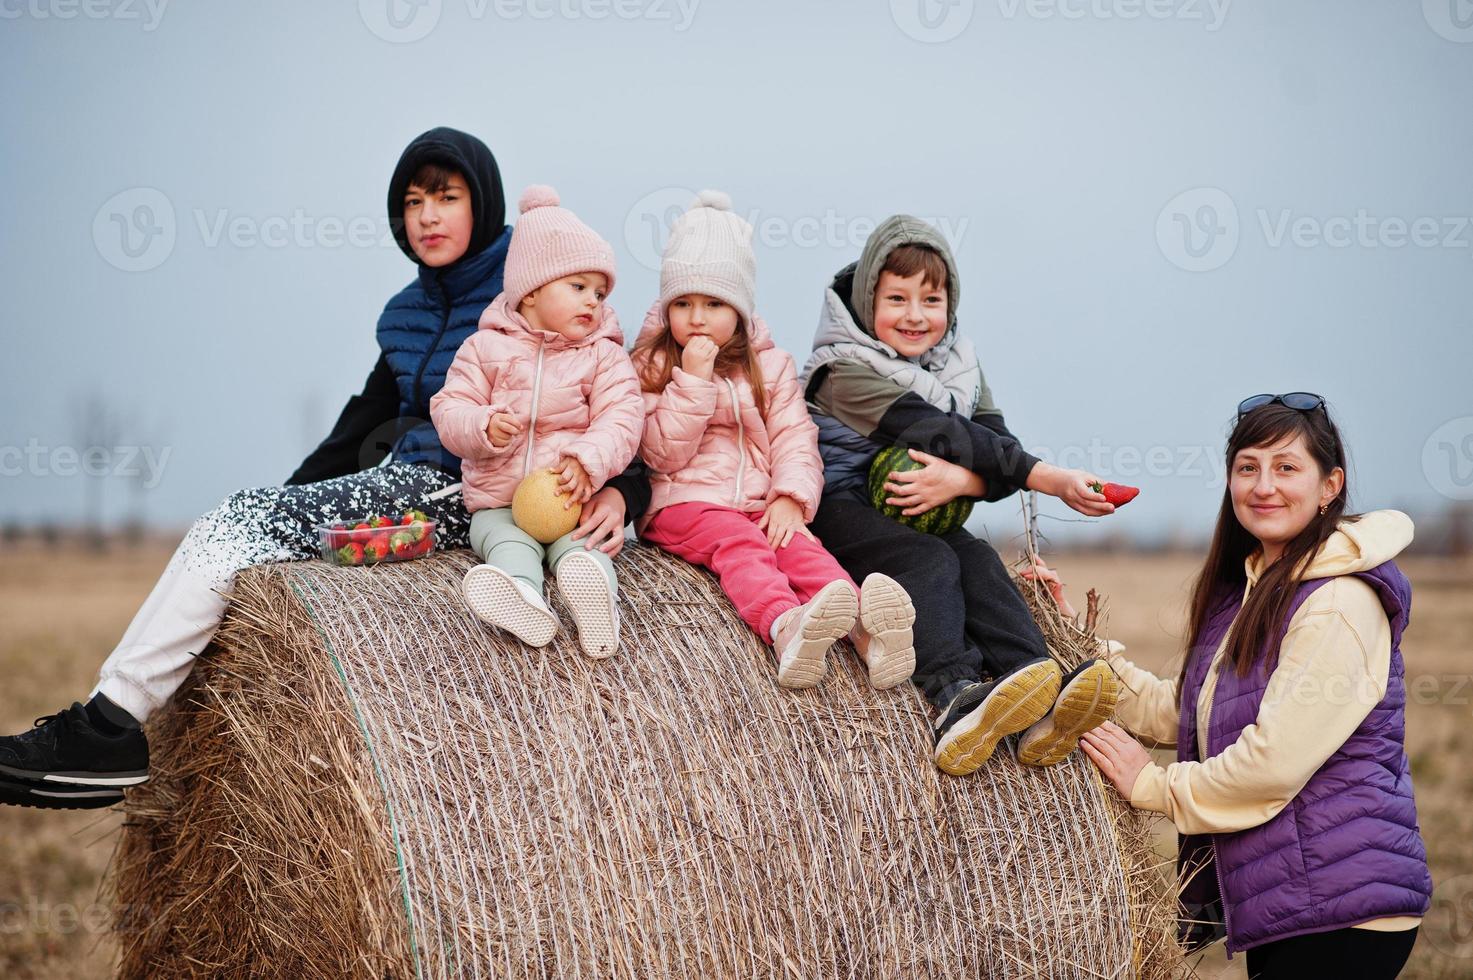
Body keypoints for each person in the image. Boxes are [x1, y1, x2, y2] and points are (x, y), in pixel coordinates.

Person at [0, 129, 649, 810]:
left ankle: (105, 729)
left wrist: (625, 491)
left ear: (482, 203)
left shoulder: (537, 279)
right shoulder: (404, 314)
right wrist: (278, 510)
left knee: (245, 521)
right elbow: (358, 428)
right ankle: (107, 722)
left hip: (467, 493)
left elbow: (621, 387)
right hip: (411, 484)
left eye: (446, 196)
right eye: (411, 201)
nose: (426, 215)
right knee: (240, 520)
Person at [1078, 393, 1431, 978]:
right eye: (1248, 467)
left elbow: (1271, 763)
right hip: (1295, 903)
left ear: (1329, 486)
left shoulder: (1339, 600)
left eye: (1286, 467)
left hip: (1343, 909)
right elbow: (1185, 713)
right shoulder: (1254, 587)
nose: (1264, 485)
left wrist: (1153, 786)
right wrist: (1076, 644)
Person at [800, 215, 1121, 775]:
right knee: (929, 559)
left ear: (952, 301)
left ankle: (1039, 686)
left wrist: (965, 482)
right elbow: (942, 434)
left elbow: (995, 448)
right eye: (896, 298)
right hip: (838, 506)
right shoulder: (841, 371)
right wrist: (1050, 478)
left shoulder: (960, 366)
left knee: (976, 558)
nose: (916, 315)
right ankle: (953, 694)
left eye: (932, 297)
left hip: (913, 507)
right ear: (865, 297)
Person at [633, 192, 916, 690]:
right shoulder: (654, 365)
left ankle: (869, 638)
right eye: (683, 303)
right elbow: (659, 451)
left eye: (714, 303)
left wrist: (789, 497)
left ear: (740, 310)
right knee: (743, 546)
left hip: (756, 501)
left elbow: (794, 436)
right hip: (685, 503)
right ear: (666, 307)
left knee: (805, 550)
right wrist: (692, 383)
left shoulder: (770, 365)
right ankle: (786, 628)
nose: (697, 318)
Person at [432, 185, 642, 658]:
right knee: (505, 544)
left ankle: (596, 603)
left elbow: (623, 418)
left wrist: (587, 460)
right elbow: (449, 409)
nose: (593, 301)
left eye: (600, 292)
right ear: (529, 293)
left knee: (582, 550)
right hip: (497, 502)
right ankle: (522, 597)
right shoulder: (483, 349)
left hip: (570, 498)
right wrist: (482, 425)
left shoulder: (604, 357)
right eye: (578, 286)